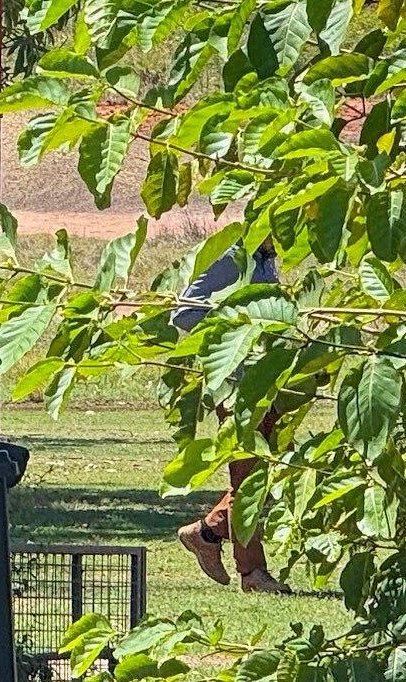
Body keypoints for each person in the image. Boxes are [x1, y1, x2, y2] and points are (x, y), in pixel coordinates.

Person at [172, 242, 286, 595]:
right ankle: (252, 573)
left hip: (267, 383)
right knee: (248, 479)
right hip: (237, 388)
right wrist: (232, 338)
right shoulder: (230, 257)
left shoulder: (266, 261)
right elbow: (184, 313)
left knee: (281, 471)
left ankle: (207, 532)